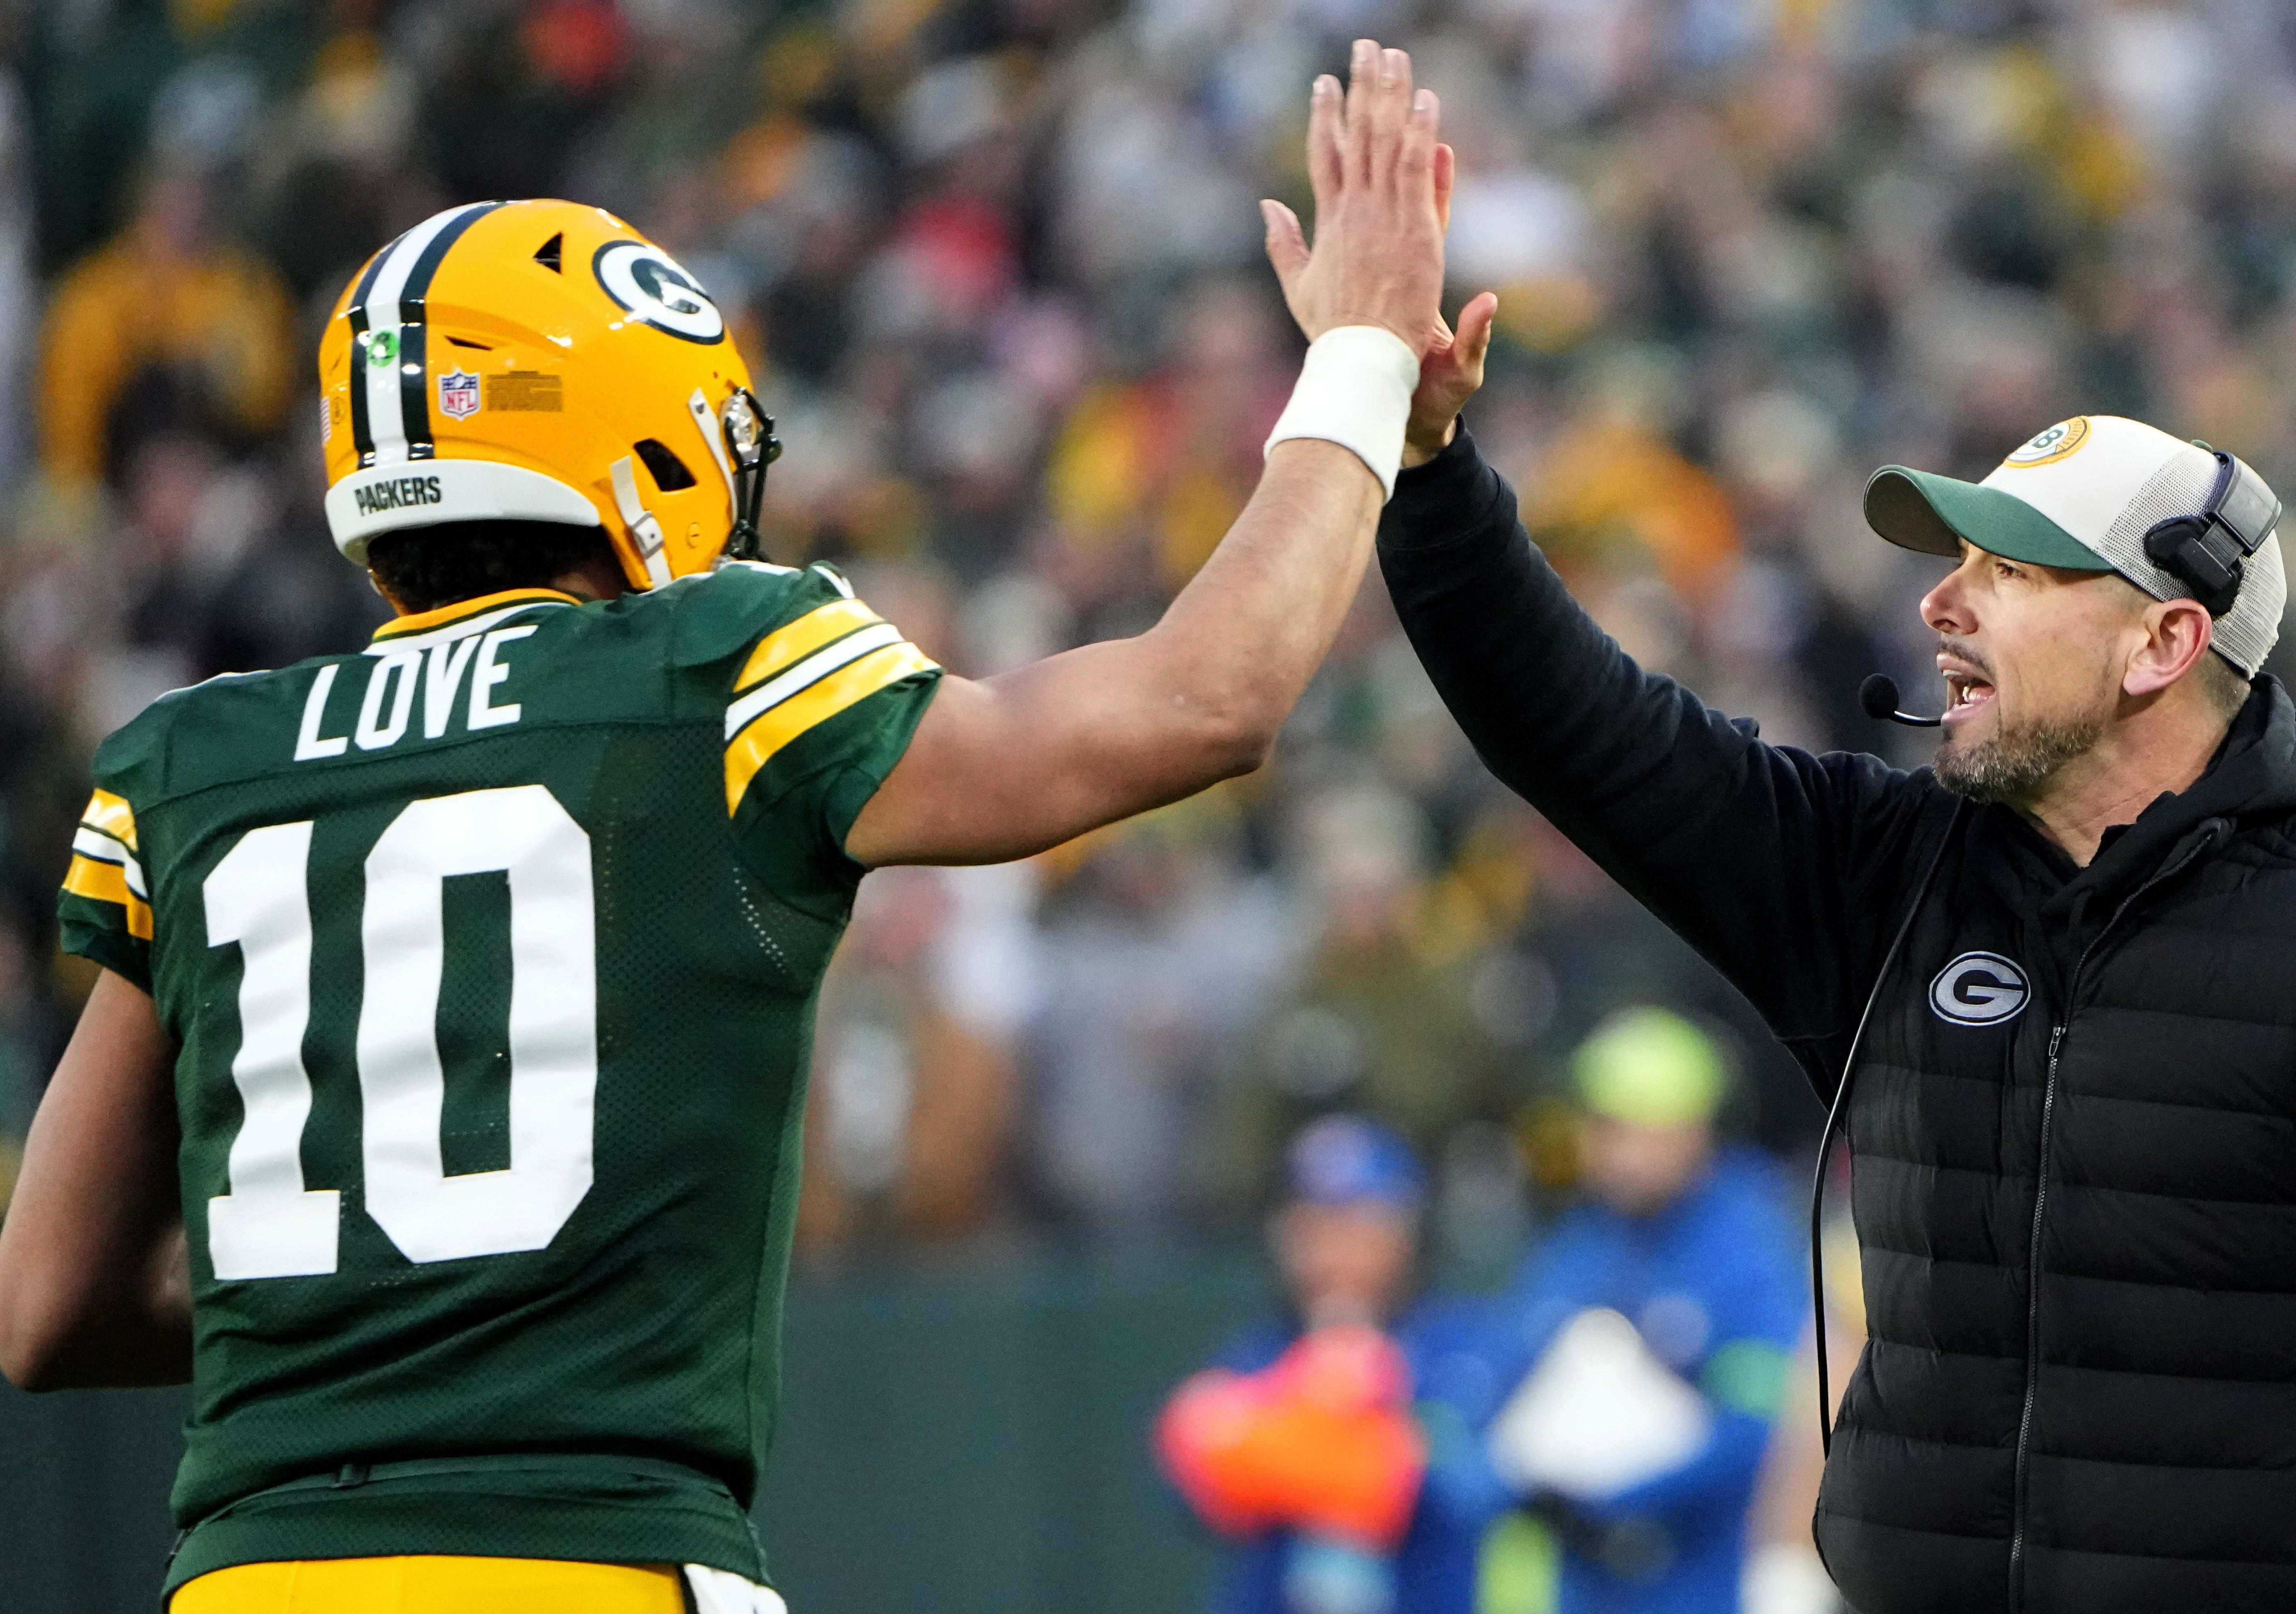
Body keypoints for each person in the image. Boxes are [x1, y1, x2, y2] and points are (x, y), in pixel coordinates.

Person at [0, 40, 1457, 1613]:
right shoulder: (715, 671)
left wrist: (366, 1292)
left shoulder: (191, 760)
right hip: (593, 1560)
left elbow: (44, 1306)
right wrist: (1363, 358)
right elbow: (1203, 701)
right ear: (627, 428)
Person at [1373, 330, 2296, 1609]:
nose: (1939, 603)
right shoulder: (1879, 879)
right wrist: (1427, 460)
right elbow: (1575, 730)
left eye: (2010, 571)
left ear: (2162, 643)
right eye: (1954, 562)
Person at [1486, 1007, 1804, 1614]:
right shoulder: (1584, 1238)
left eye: (1640, 1130)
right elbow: (1509, 1377)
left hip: (1705, 1577)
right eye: (1604, 1127)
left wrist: (1617, 1496)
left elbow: (1762, 1418)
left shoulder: (1749, 1239)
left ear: (1695, 1128)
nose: (1619, 1153)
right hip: (1582, 1582)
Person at [1157, 1115, 1510, 1614]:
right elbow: (1188, 1478)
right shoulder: (1262, 1352)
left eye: (1355, 1226)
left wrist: (1334, 1440)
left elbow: (1471, 1487)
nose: (1329, 1253)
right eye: (1309, 1229)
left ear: (1404, 1231)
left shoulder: (1463, 1345)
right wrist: (1310, 1416)